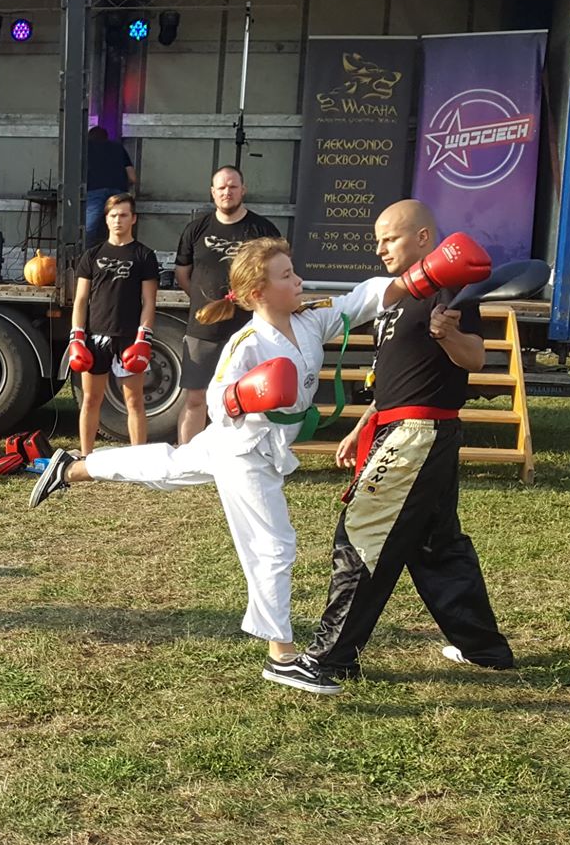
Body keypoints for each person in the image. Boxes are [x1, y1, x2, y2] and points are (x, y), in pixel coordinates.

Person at [31, 236, 405, 661]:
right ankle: (281, 654)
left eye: (294, 272)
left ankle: (76, 467)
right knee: (273, 545)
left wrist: (420, 277)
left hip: (256, 444)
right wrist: (245, 395)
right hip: (243, 449)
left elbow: (362, 300)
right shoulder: (247, 342)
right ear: (259, 293)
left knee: (169, 466)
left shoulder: (310, 321)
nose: (299, 281)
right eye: (287, 276)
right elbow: (216, 401)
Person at [267, 200, 514, 695]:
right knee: (436, 545)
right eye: (377, 240)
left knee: (362, 534)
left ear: (423, 238)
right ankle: (483, 649)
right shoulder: (397, 293)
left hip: (418, 433)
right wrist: (364, 425)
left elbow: (475, 357)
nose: (380, 248)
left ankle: (329, 661)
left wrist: (448, 335)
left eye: (390, 238)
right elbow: (399, 373)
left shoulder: (449, 284)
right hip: (400, 428)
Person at [175, 166, 282, 444]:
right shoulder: (196, 229)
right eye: (221, 187)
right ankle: (188, 457)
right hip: (203, 330)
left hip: (248, 330)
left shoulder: (263, 230)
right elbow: (183, 274)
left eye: (233, 186)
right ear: (213, 192)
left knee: (246, 399)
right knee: (195, 398)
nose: (227, 192)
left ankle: (241, 455)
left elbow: (277, 274)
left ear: (243, 190)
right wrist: (206, 302)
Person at [66, 193, 160, 453]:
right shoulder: (92, 255)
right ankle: (86, 457)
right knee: (90, 399)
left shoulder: (144, 255)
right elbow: (81, 299)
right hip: (95, 337)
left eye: (124, 215)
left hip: (129, 337)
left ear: (133, 219)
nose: (118, 220)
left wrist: (144, 337)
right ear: (106, 219)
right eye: (113, 215)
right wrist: (77, 336)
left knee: (134, 400)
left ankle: (138, 459)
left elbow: (149, 301)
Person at [82, 125, 136, 244]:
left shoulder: (85, 148)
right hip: (118, 191)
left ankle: (85, 252)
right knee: (120, 223)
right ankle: (120, 250)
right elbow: (132, 177)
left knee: (89, 228)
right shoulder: (118, 147)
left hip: (94, 189)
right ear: (107, 137)